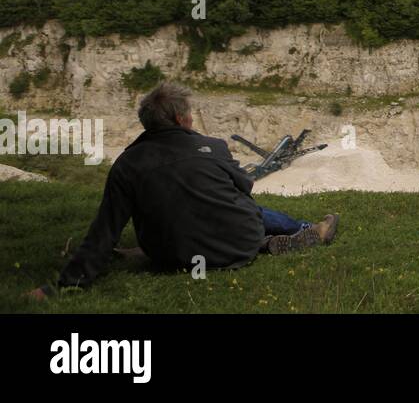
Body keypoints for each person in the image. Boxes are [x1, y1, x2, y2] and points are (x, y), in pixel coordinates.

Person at [27, 82, 336, 299]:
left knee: (177, 212)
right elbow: (247, 186)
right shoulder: (213, 147)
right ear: (179, 118)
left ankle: (267, 241)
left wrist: (64, 284)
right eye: (189, 113)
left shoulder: (126, 164)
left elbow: (104, 230)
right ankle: (302, 230)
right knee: (251, 208)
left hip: (171, 257)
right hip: (239, 243)